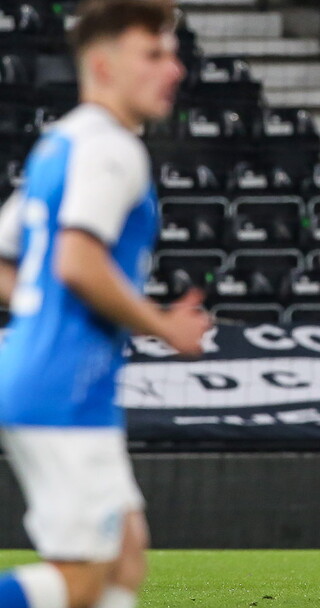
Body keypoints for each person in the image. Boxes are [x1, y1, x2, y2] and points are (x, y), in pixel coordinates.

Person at [0, 1, 210, 606]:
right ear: (103, 64)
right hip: (62, 388)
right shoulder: (115, 150)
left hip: (48, 379)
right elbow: (76, 260)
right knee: (82, 580)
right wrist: (164, 327)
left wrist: (40, 313)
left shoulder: (61, 142)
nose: (173, 71)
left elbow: (11, 254)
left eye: (172, 55)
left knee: (124, 559)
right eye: (153, 55)